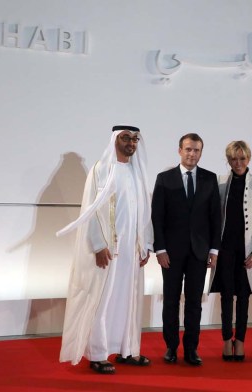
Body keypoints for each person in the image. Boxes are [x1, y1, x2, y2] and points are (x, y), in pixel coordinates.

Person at [57, 125, 153, 374]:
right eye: (125, 138)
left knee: (128, 300)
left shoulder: (136, 171)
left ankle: (126, 350)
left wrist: (145, 245)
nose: (131, 143)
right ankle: (98, 354)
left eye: (134, 139)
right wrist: (98, 245)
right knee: (103, 301)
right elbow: (89, 211)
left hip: (131, 252)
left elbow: (144, 212)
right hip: (109, 250)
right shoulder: (101, 169)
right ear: (115, 140)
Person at [151, 133, 221, 366]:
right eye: (188, 149)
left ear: (201, 152)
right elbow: (157, 217)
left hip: (199, 253)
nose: (192, 154)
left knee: (194, 303)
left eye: (197, 150)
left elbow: (215, 218)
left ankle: (191, 349)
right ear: (180, 150)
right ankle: (171, 347)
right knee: (170, 301)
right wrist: (159, 249)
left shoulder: (210, 179)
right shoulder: (164, 178)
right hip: (170, 253)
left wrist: (214, 250)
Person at [209, 141, 252, 362]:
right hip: (225, 250)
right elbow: (214, 218)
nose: (238, 163)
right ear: (228, 160)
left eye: (242, 158)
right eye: (234, 159)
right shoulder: (220, 182)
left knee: (243, 297)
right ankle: (226, 340)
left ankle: (240, 341)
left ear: (248, 159)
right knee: (226, 297)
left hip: (248, 253)